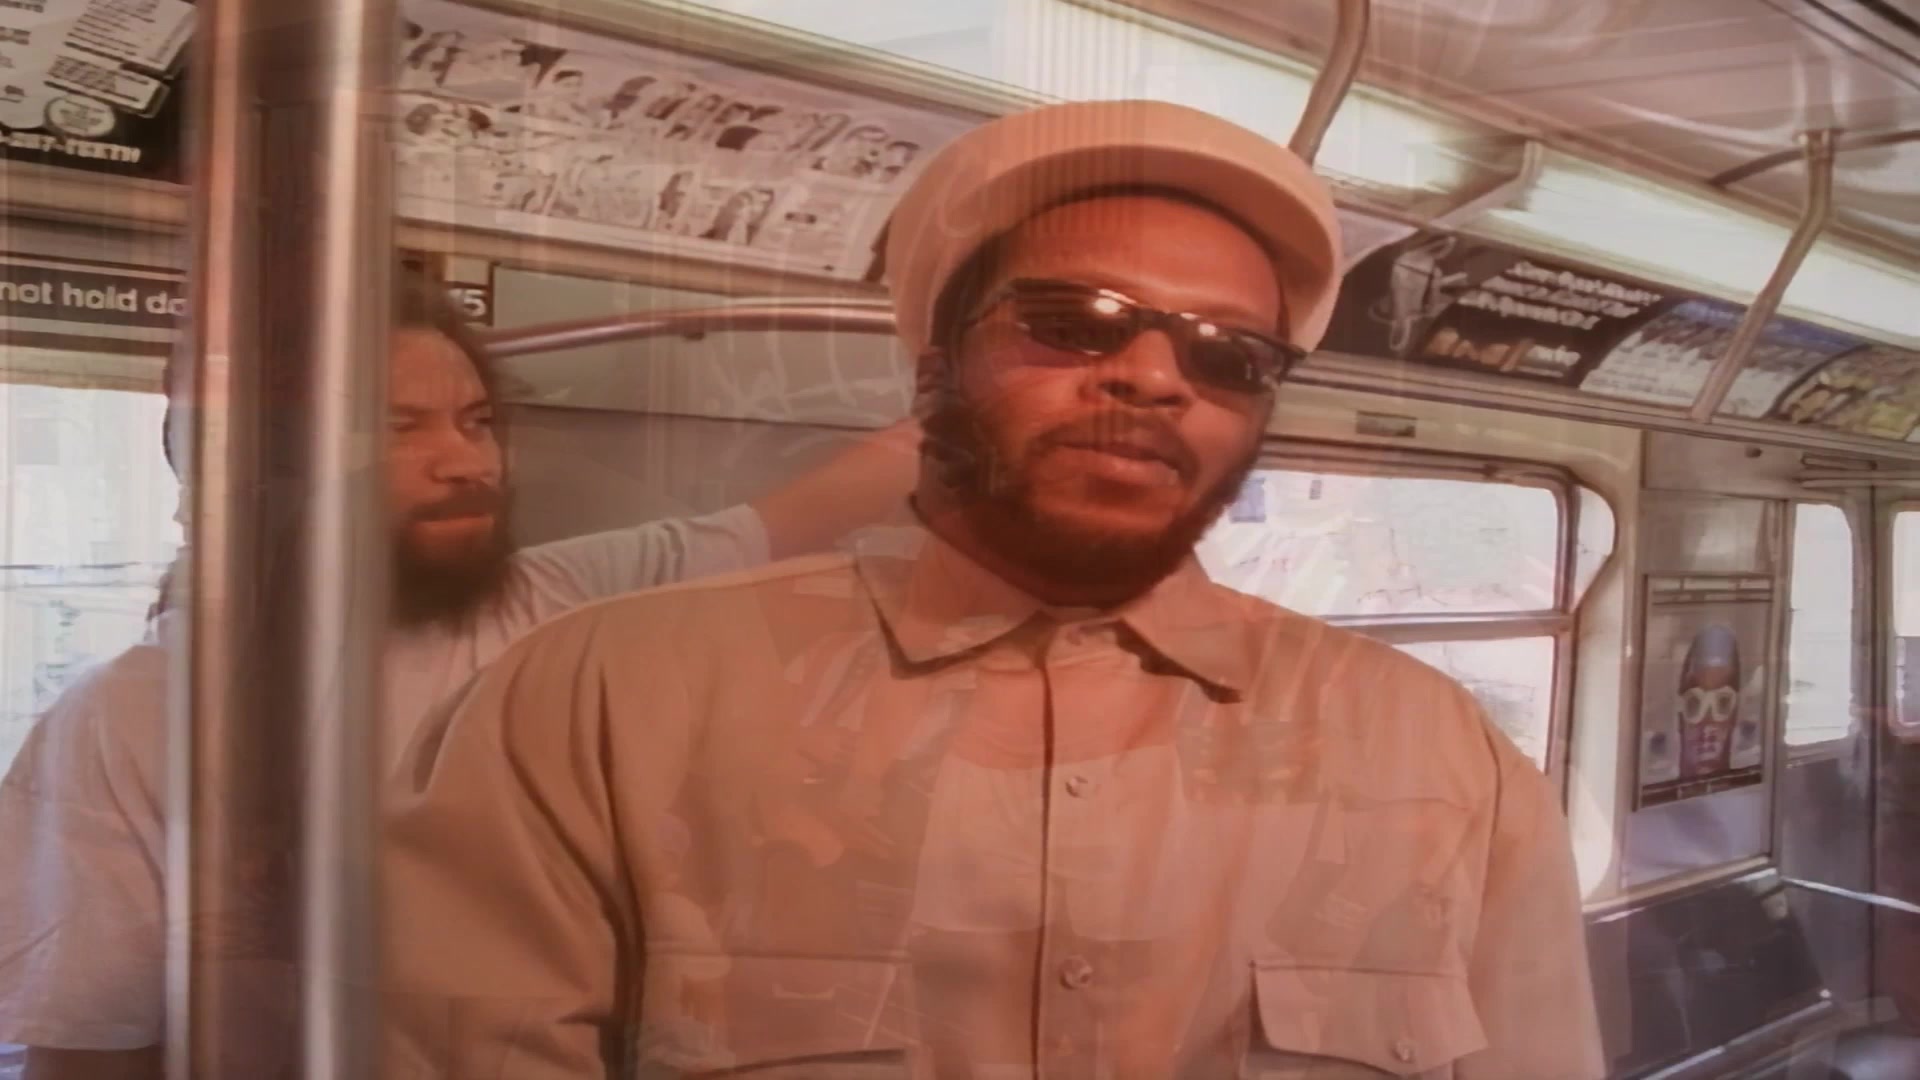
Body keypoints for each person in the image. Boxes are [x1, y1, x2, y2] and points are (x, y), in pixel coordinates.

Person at [379, 99, 1605, 1078]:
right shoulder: (601, 701)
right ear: (933, 370)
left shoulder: (1447, 765)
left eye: (1227, 354)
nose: (1154, 377)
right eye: (1074, 322)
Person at [0, 271, 919, 1079]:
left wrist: (968, 384)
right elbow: (88, 1042)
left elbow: (802, 515)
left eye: (477, 422)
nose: (467, 462)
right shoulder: (135, 715)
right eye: (398, 427)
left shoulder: (557, 597)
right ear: (258, 468)